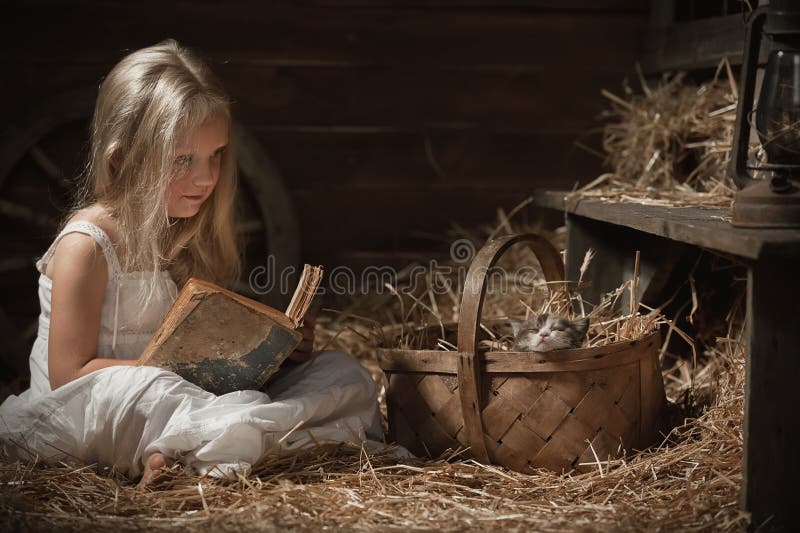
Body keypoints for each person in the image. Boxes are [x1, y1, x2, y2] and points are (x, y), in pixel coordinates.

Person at [0, 40, 383, 487]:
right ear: (123, 159)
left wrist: (276, 354)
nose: (205, 178)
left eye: (215, 155)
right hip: (91, 409)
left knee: (342, 374)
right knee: (158, 392)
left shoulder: (181, 234)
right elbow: (69, 374)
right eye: (183, 159)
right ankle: (227, 442)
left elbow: (201, 349)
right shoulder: (88, 245)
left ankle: (204, 446)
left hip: (182, 397)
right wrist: (173, 373)